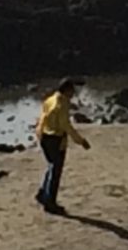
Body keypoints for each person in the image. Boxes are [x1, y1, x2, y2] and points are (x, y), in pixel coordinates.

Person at [34, 77, 91, 215]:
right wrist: (80, 140)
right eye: (72, 91)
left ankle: (43, 193)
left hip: (44, 136)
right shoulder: (62, 105)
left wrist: (39, 134)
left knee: (51, 166)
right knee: (56, 171)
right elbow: (66, 125)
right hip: (55, 138)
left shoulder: (50, 99)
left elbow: (42, 118)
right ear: (66, 90)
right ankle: (50, 202)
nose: (73, 94)